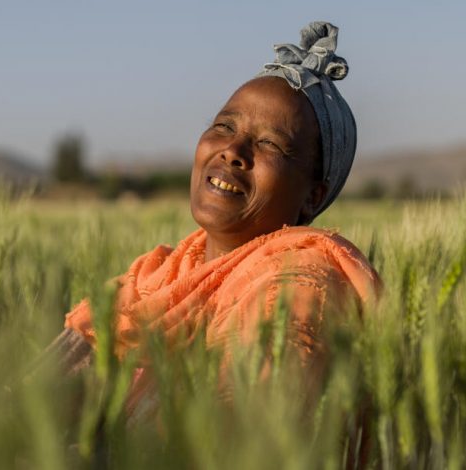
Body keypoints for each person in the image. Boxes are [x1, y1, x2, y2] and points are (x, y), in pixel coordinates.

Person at [42, 21, 382, 421]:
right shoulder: (155, 277)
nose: (232, 150)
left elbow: (238, 440)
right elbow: (19, 403)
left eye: (270, 143)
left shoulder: (298, 287)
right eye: (224, 126)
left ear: (313, 196)